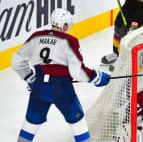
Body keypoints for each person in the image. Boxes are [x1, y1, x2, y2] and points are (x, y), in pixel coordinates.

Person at [11, 8, 111, 142]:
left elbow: (16, 61)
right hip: (62, 90)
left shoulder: (36, 36)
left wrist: (30, 79)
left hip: (39, 88)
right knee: (79, 125)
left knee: (30, 125)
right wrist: (97, 77)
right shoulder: (70, 40)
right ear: (64, 25)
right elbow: (77, 72)